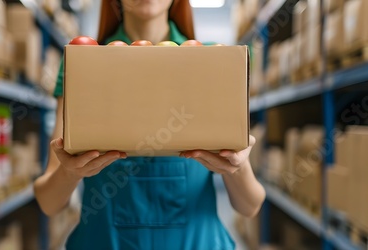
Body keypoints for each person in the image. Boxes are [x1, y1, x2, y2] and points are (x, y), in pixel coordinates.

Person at [34, 0, 266, 249]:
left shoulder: (214, 61)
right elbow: (49, 202)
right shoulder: (83, 61)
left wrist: (237, 168)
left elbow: (250, 206)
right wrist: (69, 173)